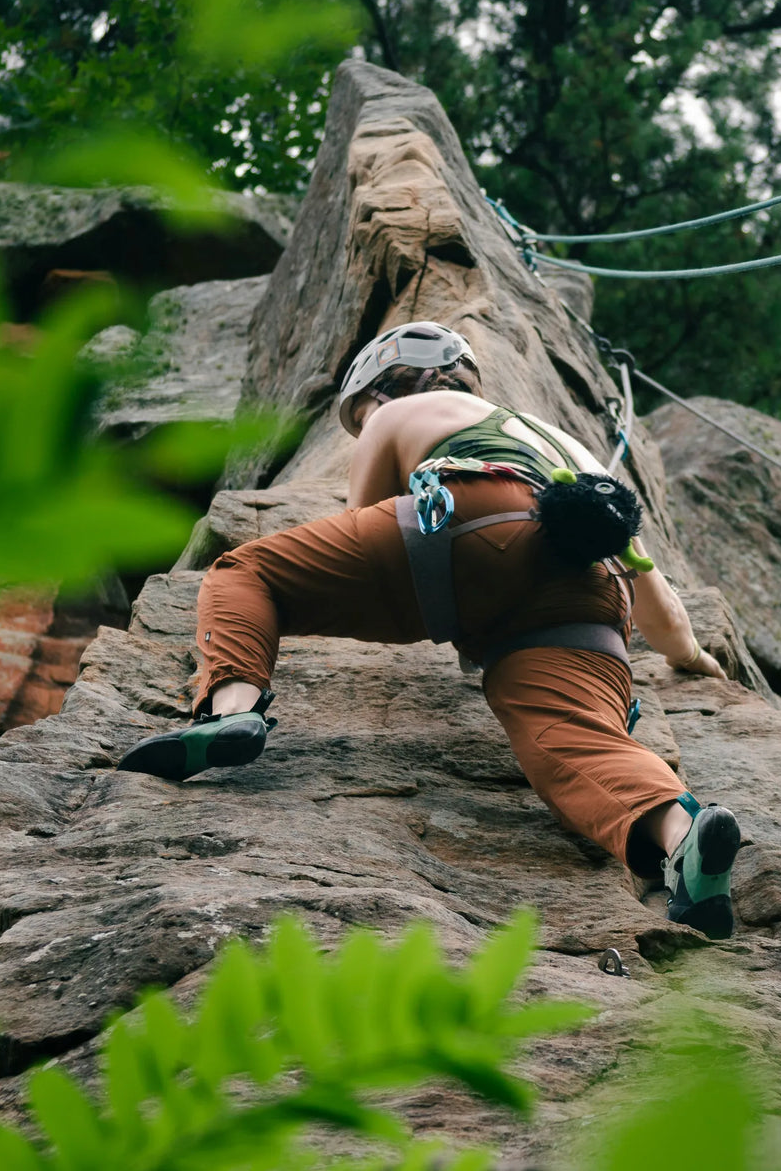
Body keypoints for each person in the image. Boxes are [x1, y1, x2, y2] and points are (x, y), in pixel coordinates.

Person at [118, 322, 741, 938]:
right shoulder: (566, 448)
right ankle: (684, 837)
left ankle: (231, 709)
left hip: (471, 525)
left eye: (360, 418)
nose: (366, 426)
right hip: (594, 587)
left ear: (379, 394)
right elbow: (666, 618)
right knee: (571, 743)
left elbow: (365, 522)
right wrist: (694, 660)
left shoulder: (402, 411)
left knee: (248, 573)